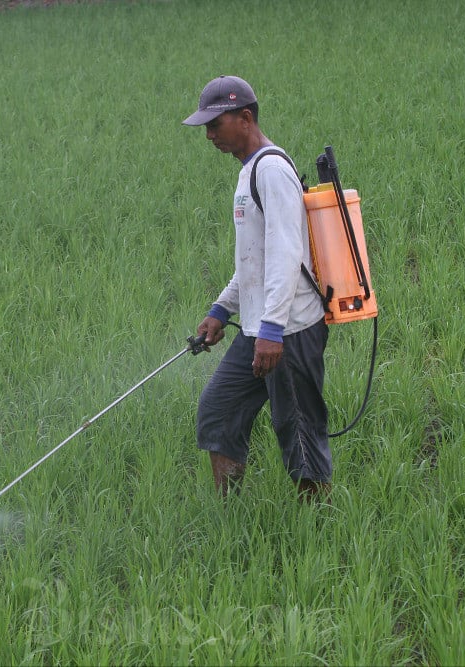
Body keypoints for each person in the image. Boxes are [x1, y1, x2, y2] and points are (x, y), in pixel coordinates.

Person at [182, 75, 332, 502]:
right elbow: (254, 261)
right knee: (219, 410)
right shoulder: (249, 172)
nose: (209, 135)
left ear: (244, 118)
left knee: (298, 432)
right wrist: (222, 309)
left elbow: (286, 256)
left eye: (216, 125)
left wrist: (271, 330)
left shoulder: (271, 171)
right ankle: (228, 517)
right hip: (259, 328)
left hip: (289, 330)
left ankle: (318, 527)